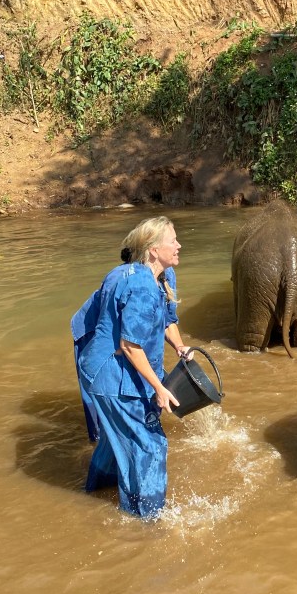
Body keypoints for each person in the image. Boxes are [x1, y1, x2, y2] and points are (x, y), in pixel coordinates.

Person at [74, 216, 193, 518]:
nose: (179, 245)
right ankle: (145, 519)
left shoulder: (156, 275)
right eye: (172, 241)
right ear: (153, 250)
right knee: (150, 446)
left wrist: (179, 347)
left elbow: (166, 320)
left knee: (116, 440)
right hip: (111, 376)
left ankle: (93, 494)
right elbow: (130, 346)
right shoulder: (141, 286)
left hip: (104, 369)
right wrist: (159, 387)